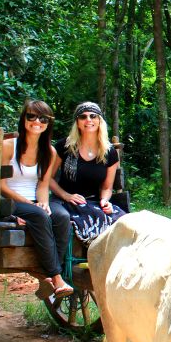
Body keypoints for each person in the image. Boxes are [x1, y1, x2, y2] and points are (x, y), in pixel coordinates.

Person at [0, 100, 73, 298]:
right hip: (11, 201)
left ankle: (51, 275)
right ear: (23, 119)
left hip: (34, 201)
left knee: (61, 216)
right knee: (39, 216)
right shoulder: (8, 146)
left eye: (42, 118)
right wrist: (30, 204)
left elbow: (42, 185)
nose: (36, 121)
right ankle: (55, 277)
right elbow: (2, 186)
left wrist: (45, 203)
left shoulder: (49, 152)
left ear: (48, 124)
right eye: (31, 116)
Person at [48, 101, 126, 243]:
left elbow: (107, 187)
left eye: (93, 116)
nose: (88, 120)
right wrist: (66, 196)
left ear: (99, 121)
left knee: (123, 222)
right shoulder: (64, 146)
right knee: (89, 220)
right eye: (83, 117)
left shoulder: (110, 152)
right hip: (65, 202)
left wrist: (105, 201)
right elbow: (48, 178)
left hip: (94, 202)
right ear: (77, 122)